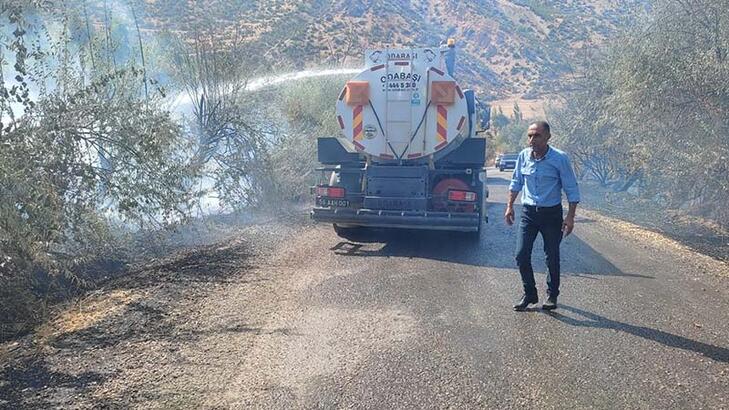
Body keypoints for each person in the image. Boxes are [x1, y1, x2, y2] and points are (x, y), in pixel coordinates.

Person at [504, 121, 580, 311]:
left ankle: (552, 295)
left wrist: (570, 217)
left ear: (548, 137)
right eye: (530, 136)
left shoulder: (560, 158)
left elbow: (571, 188)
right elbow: (516, 182)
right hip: (528, 214)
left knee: (551, 255)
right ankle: (529, 293)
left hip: (551, 215)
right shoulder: (523, 156)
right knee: (521, 255)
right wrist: (510, 206)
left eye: (537, 136)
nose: (532, 140)